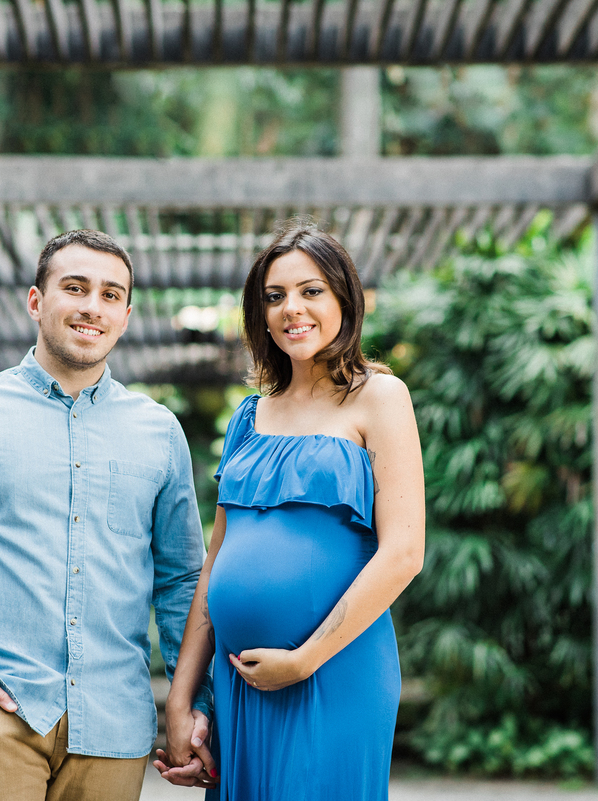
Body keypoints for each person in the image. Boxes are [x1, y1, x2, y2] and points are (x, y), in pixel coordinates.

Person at [0, 229, 214, 801]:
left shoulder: (159, 432)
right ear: (36, 301)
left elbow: (182, 581)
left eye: (111, 295)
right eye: (75, 288)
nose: (92, 307)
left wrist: (195, 704)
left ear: (126, 316)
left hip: (114, 725)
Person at [155, 220, 425, 799]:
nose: (290, 309)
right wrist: (181, 698)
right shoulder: (249, 417)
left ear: (343, 299)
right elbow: (217, 559)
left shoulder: (380, 397)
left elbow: (403, 552)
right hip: (238, 682)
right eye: (274, 297)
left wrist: (304, 660)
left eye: (311, 291)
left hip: (334, 671)